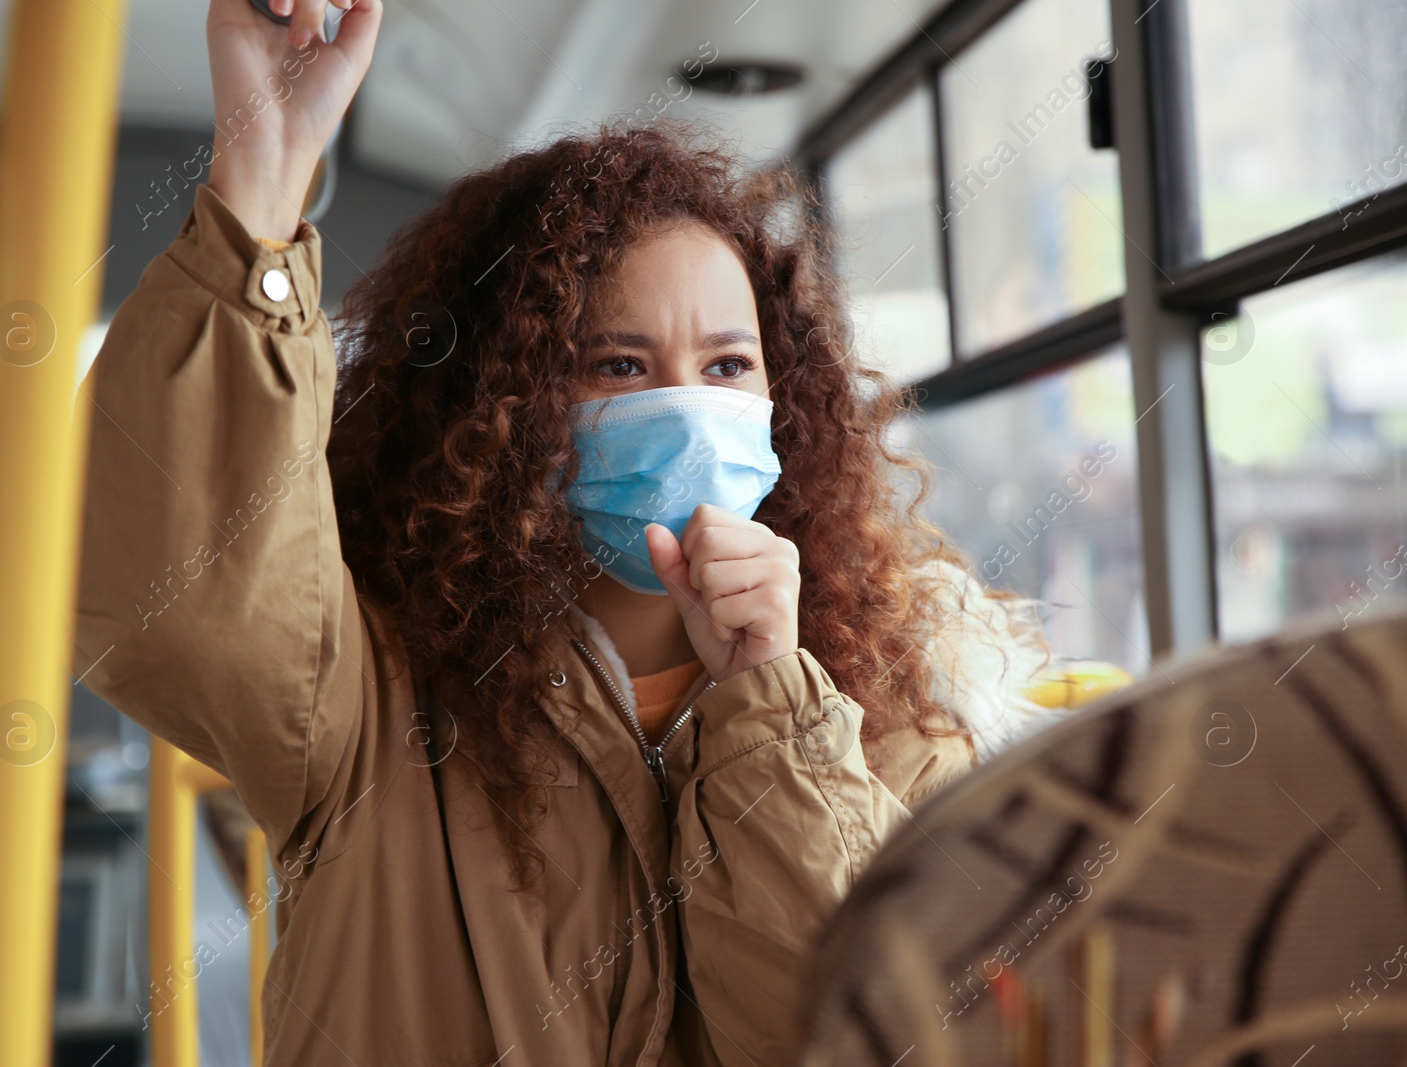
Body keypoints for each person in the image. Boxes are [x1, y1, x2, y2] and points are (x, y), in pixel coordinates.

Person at [72, 0, 1050, 1062]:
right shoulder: (370, 700)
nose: (683, 406)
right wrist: (261, 177)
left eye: (726, 366)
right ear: (509, 414)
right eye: (618, 365)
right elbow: (185, 602)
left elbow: (850, 1036)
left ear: (784, 402)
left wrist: (767, 701)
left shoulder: (896, 733)